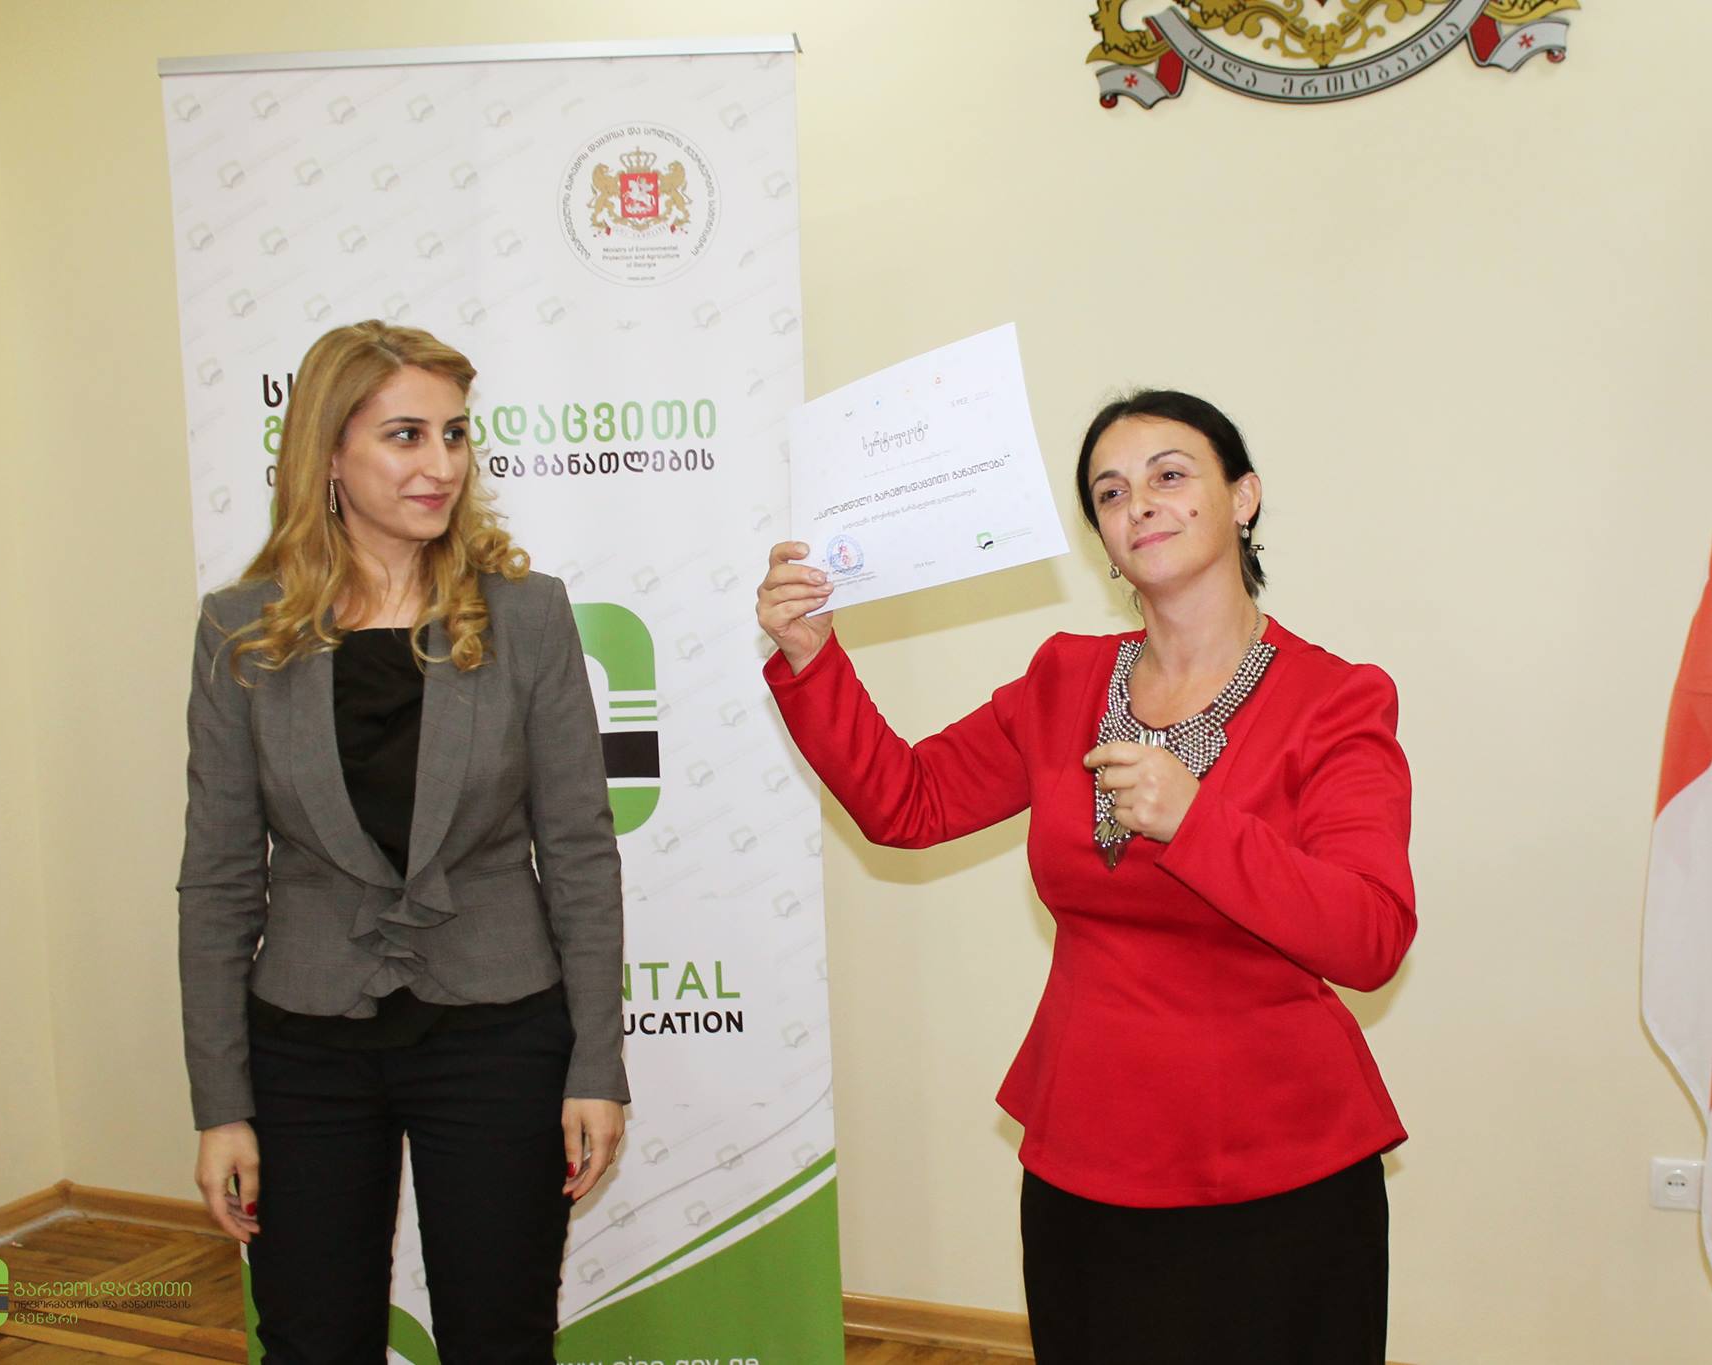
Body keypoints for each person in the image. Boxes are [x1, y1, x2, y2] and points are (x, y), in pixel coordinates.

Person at [755, 389, 1414, 1363]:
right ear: (1103, 539)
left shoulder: (1335, 699)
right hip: (1085, 1160)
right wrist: (813, 656)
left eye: (1168, 475)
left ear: (1243, 498)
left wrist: (1195, 820)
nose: (1138, 502)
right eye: (1110, 492)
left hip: (1279, 1173)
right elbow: (908, 804)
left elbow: (1369, 935)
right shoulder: (1063, 678)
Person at [177, 320, 627, 1364]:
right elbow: (219, 881)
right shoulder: (240, 630)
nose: (441, 465)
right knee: (310, 1339)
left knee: (500, 1336)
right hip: (304, 1044)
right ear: (329, 453)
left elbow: (577, 851)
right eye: (406, 435)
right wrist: (221, 1106)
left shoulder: (526, 616)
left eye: (455, 434)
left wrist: (596, 1067)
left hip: (499, 1033)